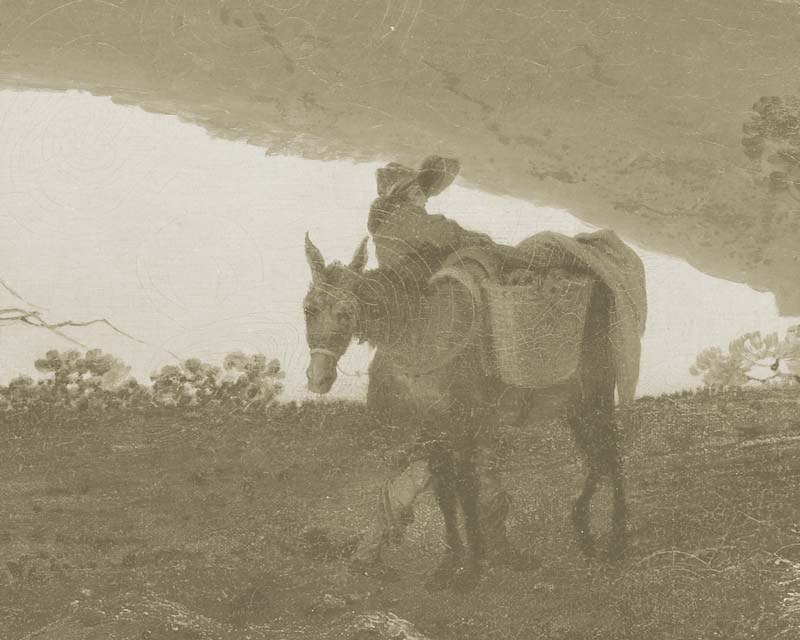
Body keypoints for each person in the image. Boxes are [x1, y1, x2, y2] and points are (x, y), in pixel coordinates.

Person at [350, 156, 539, 579]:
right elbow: (461, 236)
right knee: (455, 459)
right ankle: (491, 548)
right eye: (417, 190)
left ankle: (371, 551)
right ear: (403, 195)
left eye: (423, 190)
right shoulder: (412, 223)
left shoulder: (387, 229)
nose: (423, 195)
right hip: (428, 356)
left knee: (429, 464)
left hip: (407, 354)